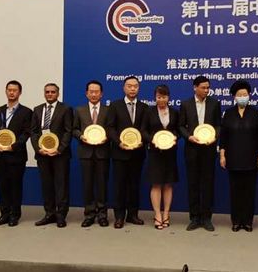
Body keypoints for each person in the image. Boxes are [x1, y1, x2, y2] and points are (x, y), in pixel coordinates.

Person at [219, 80, 258, 231]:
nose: (243, 97)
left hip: (251, 157)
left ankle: (248, 221)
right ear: (234, 97)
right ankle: (236, 221)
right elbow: (224, 136)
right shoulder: (228, 113)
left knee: (249, 191)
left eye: (245, 94)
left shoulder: (255, 113)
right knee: (235, 191)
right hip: (233, 157)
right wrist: (222, 155)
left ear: (249, 95)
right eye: (240, 95)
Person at [179, 75, 222, 232]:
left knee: (208, 184)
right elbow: (181, 126)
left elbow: (218, 125)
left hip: (209, 149)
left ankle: (207, 218)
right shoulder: (186, 104)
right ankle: (194, 218)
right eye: (203, 87)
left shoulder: (215, 103)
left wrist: (214, 137)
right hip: (192, 149)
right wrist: (189, 137)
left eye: (208, 88)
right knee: (193, 184)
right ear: (195, 88)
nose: (206, 90)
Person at [106, 75, 148, 228]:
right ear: (124, 88)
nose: (132, 89)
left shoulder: (144, 107)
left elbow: (145, 129)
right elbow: (110, 127)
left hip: (138, 153)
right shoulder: (115, 105)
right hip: (120, 153)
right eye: (129, 86)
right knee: (119, 186)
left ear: (139, 88)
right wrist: (119, 142)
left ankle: (132, 215)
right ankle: (119, 217)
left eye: (135, 86)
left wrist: (141, 141)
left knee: (134, 185)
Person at [0, 80, 33, 227]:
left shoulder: (26, 112)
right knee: (2, 186)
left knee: (15, 186)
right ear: (6, 91)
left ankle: (15, 215)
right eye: (9, 90)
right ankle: (4, 214)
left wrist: (12, 146)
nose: (12, 92)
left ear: (20, 93)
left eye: (15, 90)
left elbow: (26, 133)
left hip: (16, 155)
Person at [30, 83, 73, 228]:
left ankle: (61, 215)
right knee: (46, 185)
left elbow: (68, 131)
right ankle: (49, 214)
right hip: (43, 154)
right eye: (47, 92)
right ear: (44, 93)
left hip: (60, 155)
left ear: (58, 94)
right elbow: (34, 132)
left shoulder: (65, 109)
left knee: (61, 186)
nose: (50, 94)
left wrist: (59, 149)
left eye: (53, 92)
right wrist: (38, 149)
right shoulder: (37, 109)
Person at [141, 84, 179, 229]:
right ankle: (157, 214)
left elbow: (179, 130)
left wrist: (174, 137)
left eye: (164, 97)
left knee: (168, 184)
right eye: (158, 97)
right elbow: (143, 131)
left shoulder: (174, 112)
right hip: (154, 153)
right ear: (155, 98)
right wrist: (153, 139)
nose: (161, 100)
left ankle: (166, 214)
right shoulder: (149, 112)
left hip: (170, 153)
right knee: (156, 183)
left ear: (168, 98)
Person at [74, 80, 110, 228]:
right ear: (86, 93)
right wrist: (81, 136)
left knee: (102, 185)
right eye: (91, 91)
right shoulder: (79, 110)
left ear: (101, 94)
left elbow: (111, 128)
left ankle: (102, 215)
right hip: (85, 152)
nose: (94, 94)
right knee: (87, 185)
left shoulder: (108, 110)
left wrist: (107, 137)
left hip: (103, 152)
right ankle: (89, 214)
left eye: (97, 92)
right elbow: (74, 129)